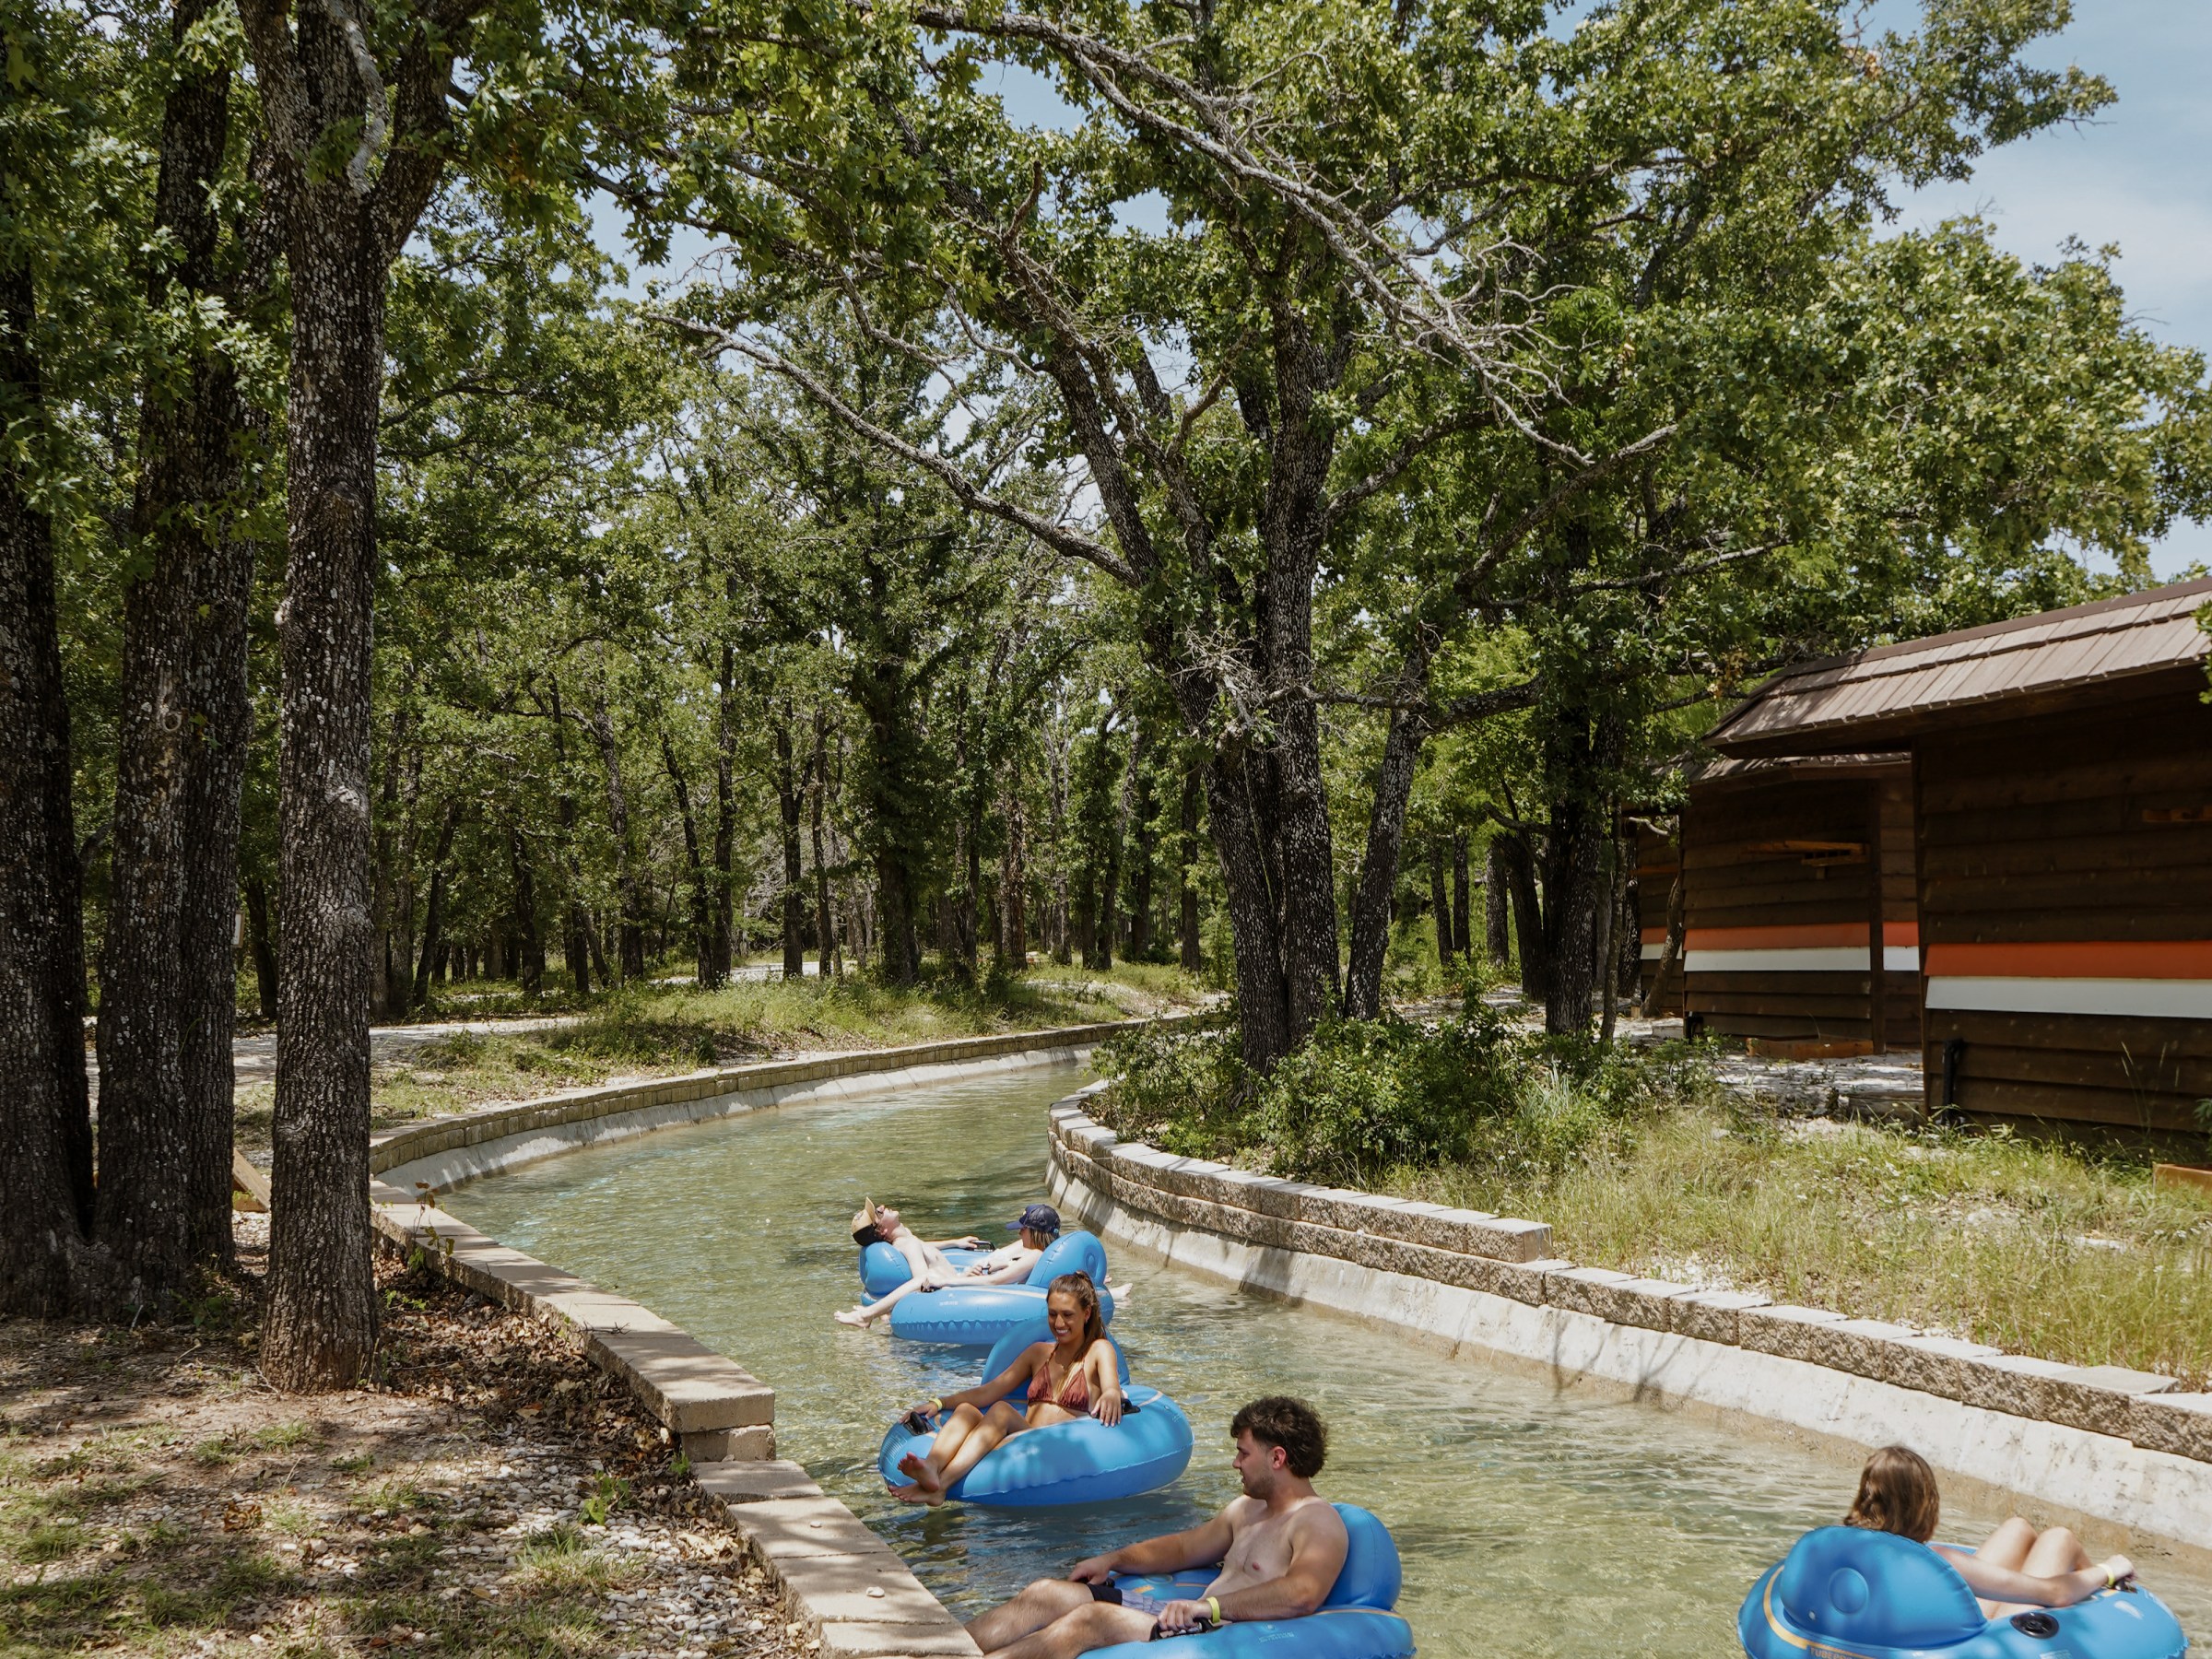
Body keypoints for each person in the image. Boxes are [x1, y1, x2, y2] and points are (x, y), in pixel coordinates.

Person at [965, 1396, 1349, 1659]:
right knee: (1046, 1592)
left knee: (1089, 1620)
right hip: (1182, 1617)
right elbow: (1182, 1549)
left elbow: (1303, 1594)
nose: (1236, 1463)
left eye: (1244, 1454)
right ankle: (940, 1646)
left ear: (1277, 1458)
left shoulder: (1316, 1521)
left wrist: (1208, 1607)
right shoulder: (1247, 1510)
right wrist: (1113, 1558)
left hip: (1219, 1630)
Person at [888, 1272, 1124, 1505]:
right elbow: (989, 1390)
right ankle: (932, 1464)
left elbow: (1112, 1385)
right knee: (966, 1410)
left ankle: (941, 1486)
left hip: (1058, 1447)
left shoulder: (1098, 1350)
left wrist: (1112, 1393)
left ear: (1086, 1314)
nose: (1059, 1323)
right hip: (1024, 1437)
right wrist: (938, 1403)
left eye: (1067, 1315)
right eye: (1052, 1314)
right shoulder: (1038, 1352)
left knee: (1001, 1410)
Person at [1843, 1445, 2133, 1618]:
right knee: (2059, 1539)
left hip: (1925, 1630)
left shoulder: (1839, 1549)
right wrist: (2109, 1569)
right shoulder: (1937, 1562)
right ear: (1924, 1507)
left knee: (2017, 1529)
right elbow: (2055, 1593)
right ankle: (2099, 1603)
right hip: (1973, 1646)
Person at [834, 1201, 1062, 1327]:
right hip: (953, 1288)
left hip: (972, 1288)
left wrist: (952, 1277)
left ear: (1035, 1233)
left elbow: (997, 1281)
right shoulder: (1039, 1251)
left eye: (1023, 1229)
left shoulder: (1035, 1254)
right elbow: (922, 1272)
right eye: (880, 1212)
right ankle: (871, 1314)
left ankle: (870, 1314)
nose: (1020, 1232)